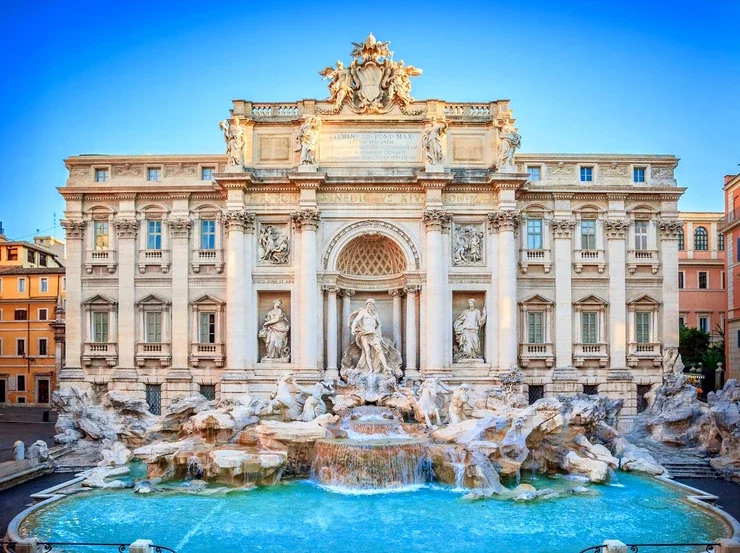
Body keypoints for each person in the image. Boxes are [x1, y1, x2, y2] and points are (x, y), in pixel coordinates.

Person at [350, 298, 390, 374]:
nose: (369, 306)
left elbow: (379, 324)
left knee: (379, 349)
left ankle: (385, 366)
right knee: (367, 351)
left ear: (373, 306)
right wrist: (353, 328)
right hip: (364, 334)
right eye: (368, 304)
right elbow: (356, 320)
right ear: (366, 305)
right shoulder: (363, 312)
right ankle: (370, 369)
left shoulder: (375, 314)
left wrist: (378, 333)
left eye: (371, 304)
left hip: (373, 334)